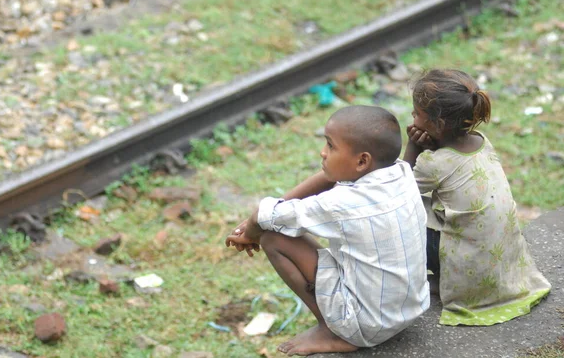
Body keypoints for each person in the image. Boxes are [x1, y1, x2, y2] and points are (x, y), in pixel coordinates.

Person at [225, 105, 430, 356]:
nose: (323, 153)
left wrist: (250, 233)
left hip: (367, 326)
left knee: (273, 238)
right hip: (411, 308)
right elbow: (326, 179)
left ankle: (333, 331)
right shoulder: (400, 172)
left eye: (331, 146)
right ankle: (337, 325)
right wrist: (267, 216)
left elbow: (263, 215)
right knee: (277, 226)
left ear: (362, 160)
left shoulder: (341, 204)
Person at [402, 68, 551, 326]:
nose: (413, 117)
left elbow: (398, 191)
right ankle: (447, 275)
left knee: (402, 215)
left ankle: (442, 276)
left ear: (437, 124)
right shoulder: (482, 141)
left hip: (466, 262)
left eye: (417, 113)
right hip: (501, 261)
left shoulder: (433, 164)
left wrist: (413, 146)